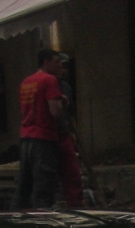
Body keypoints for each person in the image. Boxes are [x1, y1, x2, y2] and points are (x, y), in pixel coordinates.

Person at [13, 49, 66, 210]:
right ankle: (43, 224)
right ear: (46, 62)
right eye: (56, 61)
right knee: (44, 189)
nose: (59, 65)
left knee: (24, 186)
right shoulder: (50, 80)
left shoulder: (26, 83)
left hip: (26, 139)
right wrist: (63, 102)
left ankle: (14, 221)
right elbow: (55, 111)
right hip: (44, 139)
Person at [57, 54, 85, 208]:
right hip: (49, 136)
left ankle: (76, 206)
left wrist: (73, 133)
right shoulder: (48, 84)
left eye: (66, 66)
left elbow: (71, 112)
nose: (64, 69)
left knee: (73, 173)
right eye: (61, 65)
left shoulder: (65, 87)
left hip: (64, 133)